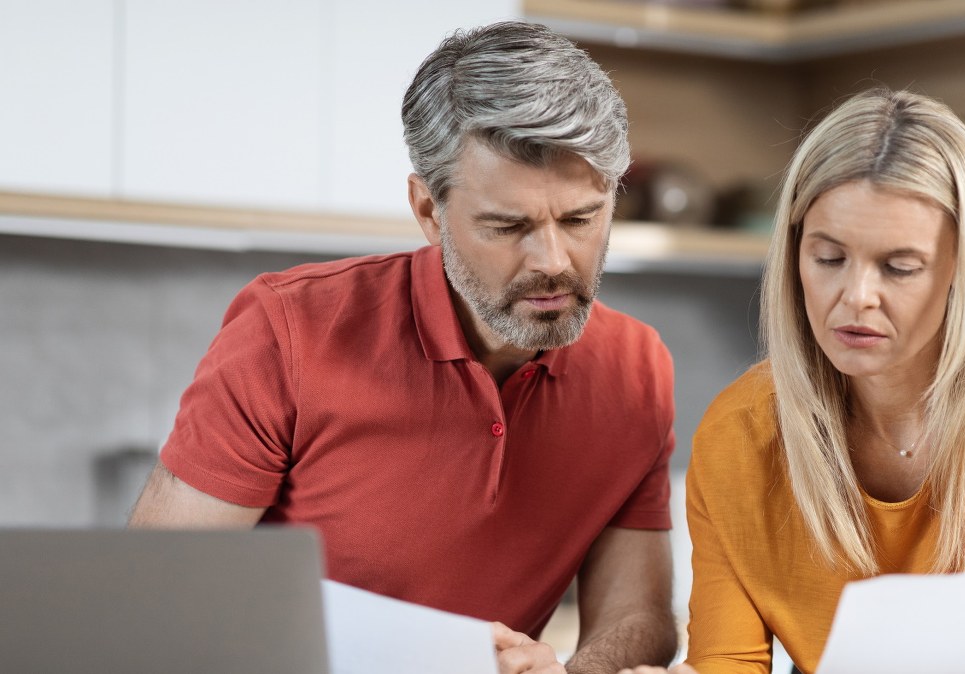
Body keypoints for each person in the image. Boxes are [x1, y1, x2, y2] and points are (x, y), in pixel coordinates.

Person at [129, 21, 679, 674]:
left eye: (581, 219)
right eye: (509, 225)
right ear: (427, 209)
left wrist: (566, 672)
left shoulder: (636, 370)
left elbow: (639, 618)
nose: (554, 261)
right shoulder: (289, 331)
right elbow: (153, 601)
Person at [622, 89, 965, 674]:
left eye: (899, 267)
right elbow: (727, 662)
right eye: (829, 258)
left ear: (964, 268)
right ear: (792, 254)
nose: (856, 297)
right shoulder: (740, 437)